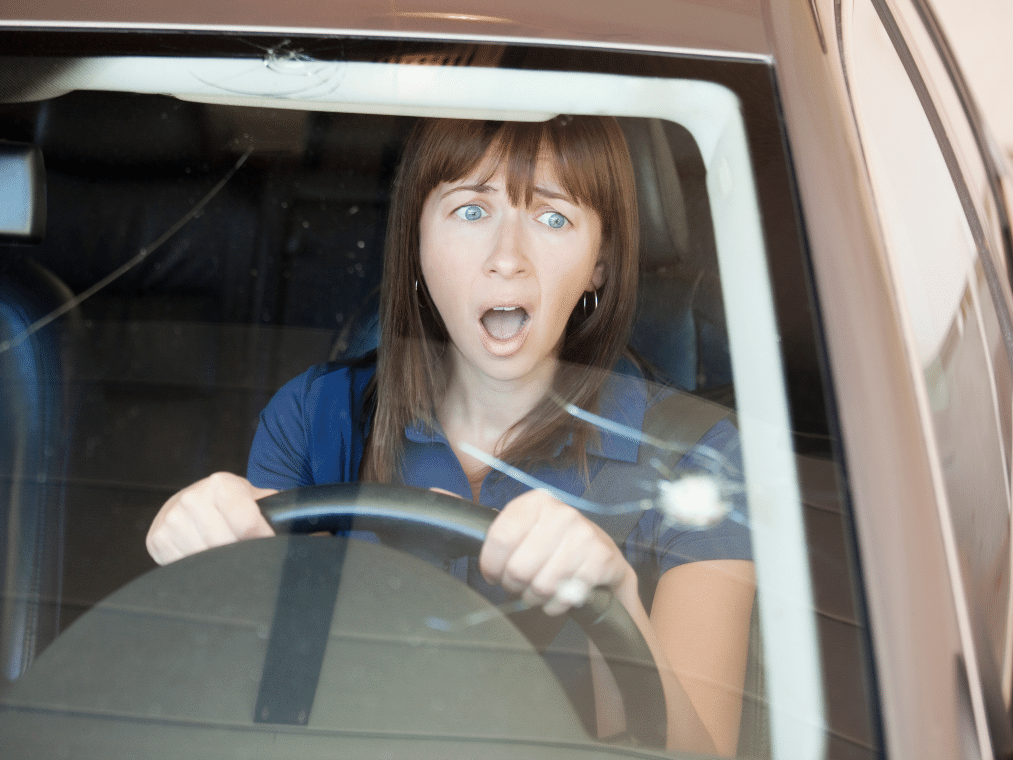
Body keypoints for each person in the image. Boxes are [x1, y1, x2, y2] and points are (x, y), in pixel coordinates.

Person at [146, 116, 756, 755]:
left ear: (599, 265)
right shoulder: (314, 417)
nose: (506, 259)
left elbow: (700, 754)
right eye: (471, 211)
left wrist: (618, 598)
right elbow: (266, 706)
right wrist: (206, 546)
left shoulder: (701, 457)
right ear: (416, 239)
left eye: (553, 219)